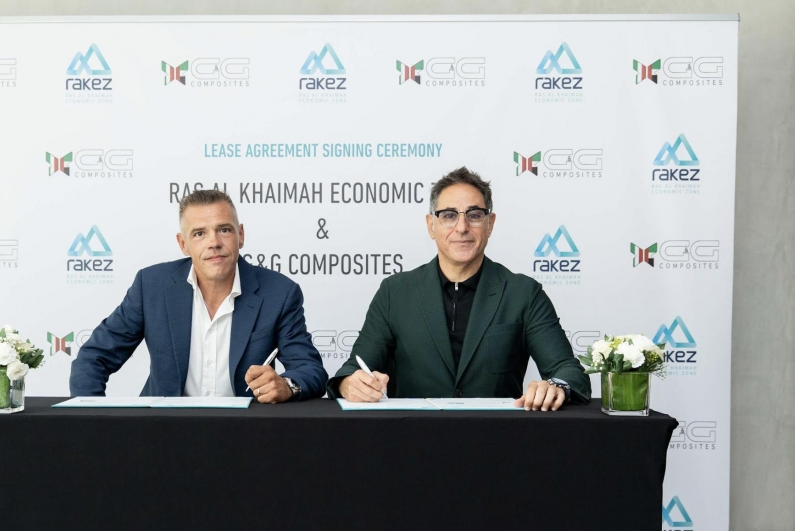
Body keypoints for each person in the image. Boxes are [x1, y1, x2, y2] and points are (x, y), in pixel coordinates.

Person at [328, 166, 590, 410]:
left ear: (490, 223)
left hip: (498, 436)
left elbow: (568, 371)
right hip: (413, 435)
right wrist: (349, 384)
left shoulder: (523, 293)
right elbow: (353, 369)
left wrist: (556, 386)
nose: (462, 228)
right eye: (449, 215)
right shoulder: (395, 292)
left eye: (474, 215)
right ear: (431, 225)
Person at [71, 189, 327, 403]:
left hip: (246, 431)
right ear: (183, 244)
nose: (214, 242)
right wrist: (94, 423)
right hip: (162, 431)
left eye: (224, 230)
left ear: (241, 236)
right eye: (199, 233)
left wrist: (287, 385)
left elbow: (310, 369)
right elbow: (94, 358)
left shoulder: (279, 292)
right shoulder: (151, 286)